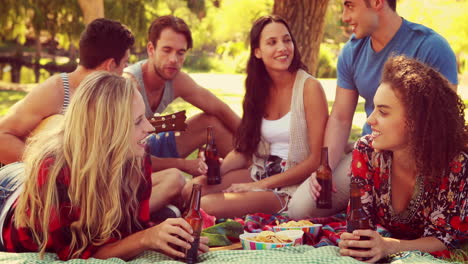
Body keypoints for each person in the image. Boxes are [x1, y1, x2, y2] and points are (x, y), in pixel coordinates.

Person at [0, 72, 209, 260]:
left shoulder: (136, 155)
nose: (149, 128)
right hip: (8, 195)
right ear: (108, 131)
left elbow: (130, 230)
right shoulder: (54, 172)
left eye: (144, 117)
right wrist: (146, 238)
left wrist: (163, 237)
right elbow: (78, 252)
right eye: (137, 121)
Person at [301, 0, 459, 218]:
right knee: (302, 208)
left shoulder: (431, 47)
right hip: (371, 150)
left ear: (376, 2)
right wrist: (326, 167)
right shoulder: (351, 52)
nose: (344, 17)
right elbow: (340, 118)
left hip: (417, 160)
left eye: (350, 6)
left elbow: (444, 122)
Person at [181, 15, 328, 218]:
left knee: (206, 205)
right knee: (191, 190)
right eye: (272, 42)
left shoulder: (310, 88)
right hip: (259, 172)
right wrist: (217, 171)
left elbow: (315, 160)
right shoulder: (258, 89)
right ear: (257, 52)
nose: (282, 48)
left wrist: (258, 186)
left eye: (287, 40)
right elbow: (246, 149)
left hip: (290, 186)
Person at [338, 55, 467, 262]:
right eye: (373, 108)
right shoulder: (367, 151)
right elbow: (360, 225)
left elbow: (447, 239)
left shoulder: (454, 163)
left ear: (416, 120)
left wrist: (391, 246)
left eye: (383, 112)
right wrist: (357, 242)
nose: (370, 120)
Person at [0, 18, 135, 165]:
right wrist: (49, 169)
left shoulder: (106, 99)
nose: (125, 70)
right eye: (124, 63)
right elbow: (2, 137)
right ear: (110, 65)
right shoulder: (55, 91)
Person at [124, 15, 240, 176]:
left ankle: (255, 169)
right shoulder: (129, 86)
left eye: (180, 53)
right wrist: (182, 165)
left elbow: (219, 109)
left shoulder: (176, 79)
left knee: (210, 123)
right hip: (128, 160)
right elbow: (125, 156)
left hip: (149, 146)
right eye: (167, 50)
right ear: (151, 49)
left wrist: (257, 141)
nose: (173, 59)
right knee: (174, 180)